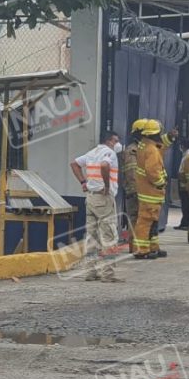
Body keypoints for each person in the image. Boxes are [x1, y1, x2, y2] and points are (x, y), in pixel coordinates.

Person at [69, 130, 123, 283]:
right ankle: (108, 274)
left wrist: (83, 182)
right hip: (103, 198)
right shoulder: (109, 153)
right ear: (109, 141)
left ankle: (90, 272)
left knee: (91, 238)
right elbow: (105, 165)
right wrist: (106, 185)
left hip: (91, 198)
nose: (117, 144)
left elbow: (74, 164)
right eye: (116, 140)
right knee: (109, 236)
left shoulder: (91, 153)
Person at [133, 120, 168, 259]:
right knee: (145, 221)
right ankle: (141, 250)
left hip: (146, 191)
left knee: (152, 222)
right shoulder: (152, 150)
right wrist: (160, 183)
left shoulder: (144, 144)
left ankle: (153, 247)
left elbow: (162, 146)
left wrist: (169, 138)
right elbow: (152, 171)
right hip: (151, 192)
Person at [119, 118, 146, 251]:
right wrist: (139, 191)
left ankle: (139, 246)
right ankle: (135, 247)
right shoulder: (132, 151)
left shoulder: (140, 149)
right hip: (135, 192)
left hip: (140, 191)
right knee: (135, 219)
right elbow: (132, 174)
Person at [174, 142, 189, 231]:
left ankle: (186, 223)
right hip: (184, 184)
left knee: (186, 205)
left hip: (185, 185)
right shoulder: (186, 154)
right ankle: (184, 223)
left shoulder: (188, 156)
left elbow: (185, 171)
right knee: (185, 205)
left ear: (183, 146)